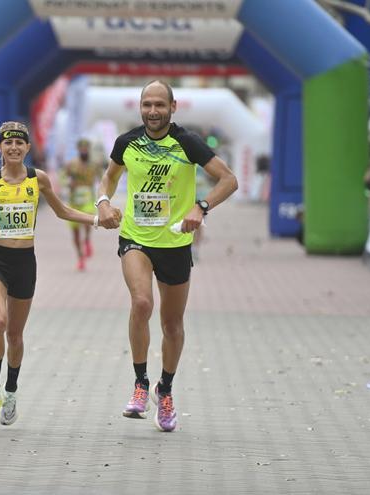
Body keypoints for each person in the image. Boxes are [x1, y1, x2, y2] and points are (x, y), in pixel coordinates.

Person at [0, 121, 121, 425]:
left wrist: (96, 220)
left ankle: (11, 392)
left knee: (15, 333)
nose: (13, 147)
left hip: (25, 262)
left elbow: (63, 211)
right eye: (7, 143)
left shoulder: (39, 179)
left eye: (19, 143)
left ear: (27, 148)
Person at [96, 81, 237, 432]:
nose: (153, 111)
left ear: (173, 107)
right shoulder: (126, 142)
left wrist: (201, 207)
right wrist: (102, 203)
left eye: (160, 104)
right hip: (136, 238)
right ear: (140, 107)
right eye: (147, 104)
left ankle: (166, 389)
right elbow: (108, 179)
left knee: (172, 324)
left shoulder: (186, 142)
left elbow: (228, 180)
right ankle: (141, 384)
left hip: (175, 244)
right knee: (142, 303)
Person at [62, 138, 102, 271]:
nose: (84, 150)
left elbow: (103, 180)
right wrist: (68, 184)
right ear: (78, 149)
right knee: (75, 232)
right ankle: (80, 258)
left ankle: (87, 240)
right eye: (81, 148)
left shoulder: (94, 165)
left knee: (88, 220)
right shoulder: (71, 164)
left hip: (88, 198)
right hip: (74, 200)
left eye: (86, 148)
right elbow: (63, 178)